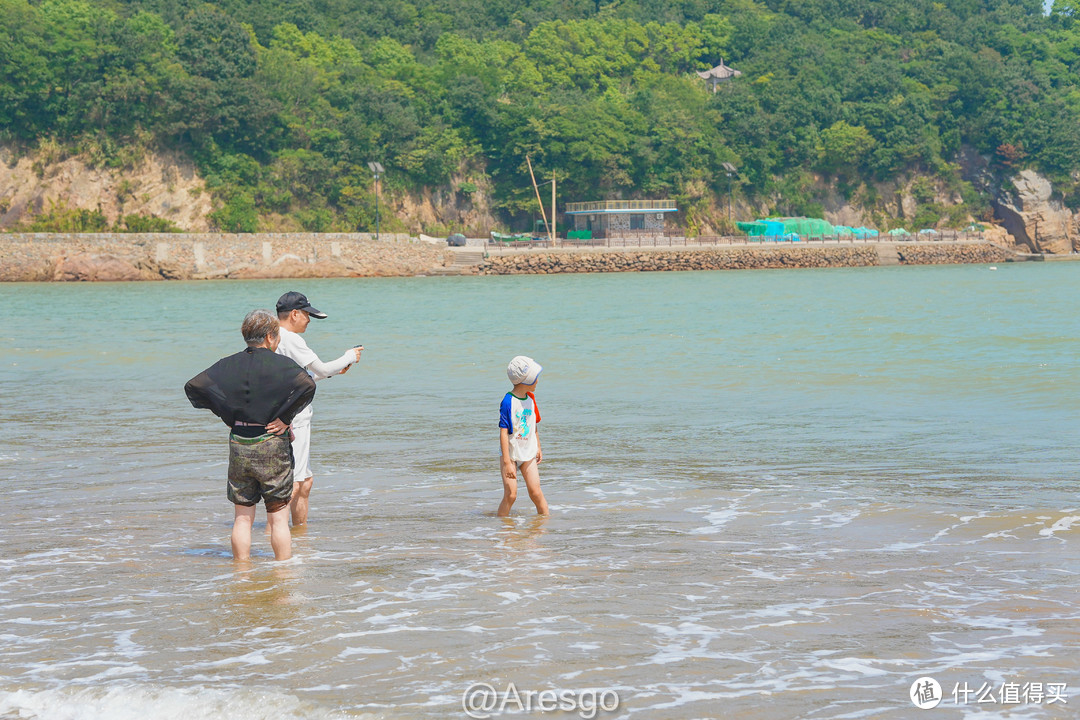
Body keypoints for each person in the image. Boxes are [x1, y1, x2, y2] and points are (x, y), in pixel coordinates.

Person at [184, 309, 316, 561]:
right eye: (276, 337)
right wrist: (285, 419)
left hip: (240, 442)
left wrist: (227, 415)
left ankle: (241, 573)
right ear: (269, 337)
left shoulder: (228, 363)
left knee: (242, 518)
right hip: (271, 443)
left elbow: (194, 386)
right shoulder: (283, 365)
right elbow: (308, 385)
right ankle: (283, 571)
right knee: (278, 518)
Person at [275, 291, 363, 526]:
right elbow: (323, 369)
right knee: (294, 483)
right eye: (306, 314)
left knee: (305, 482)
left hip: (288, 414)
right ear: (294, 314)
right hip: (294, 419)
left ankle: (299, 537)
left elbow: (301, 378)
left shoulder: (273, 336)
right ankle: (278, 536)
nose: (309, 320)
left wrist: (334, 371)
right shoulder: (290, 339)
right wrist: (349, 357)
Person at [498, 355, 549, 517]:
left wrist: (538, 447)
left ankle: (544, 524)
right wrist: (506, 462)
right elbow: (504, 432)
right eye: (535, 378)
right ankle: (502, 527)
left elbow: (534, 426)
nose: (538, 381)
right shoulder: (508, 401)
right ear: (525, 380)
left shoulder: (531, 399)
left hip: (528, 453)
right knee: (511, 495)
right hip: (511, 455)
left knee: (536, 492)